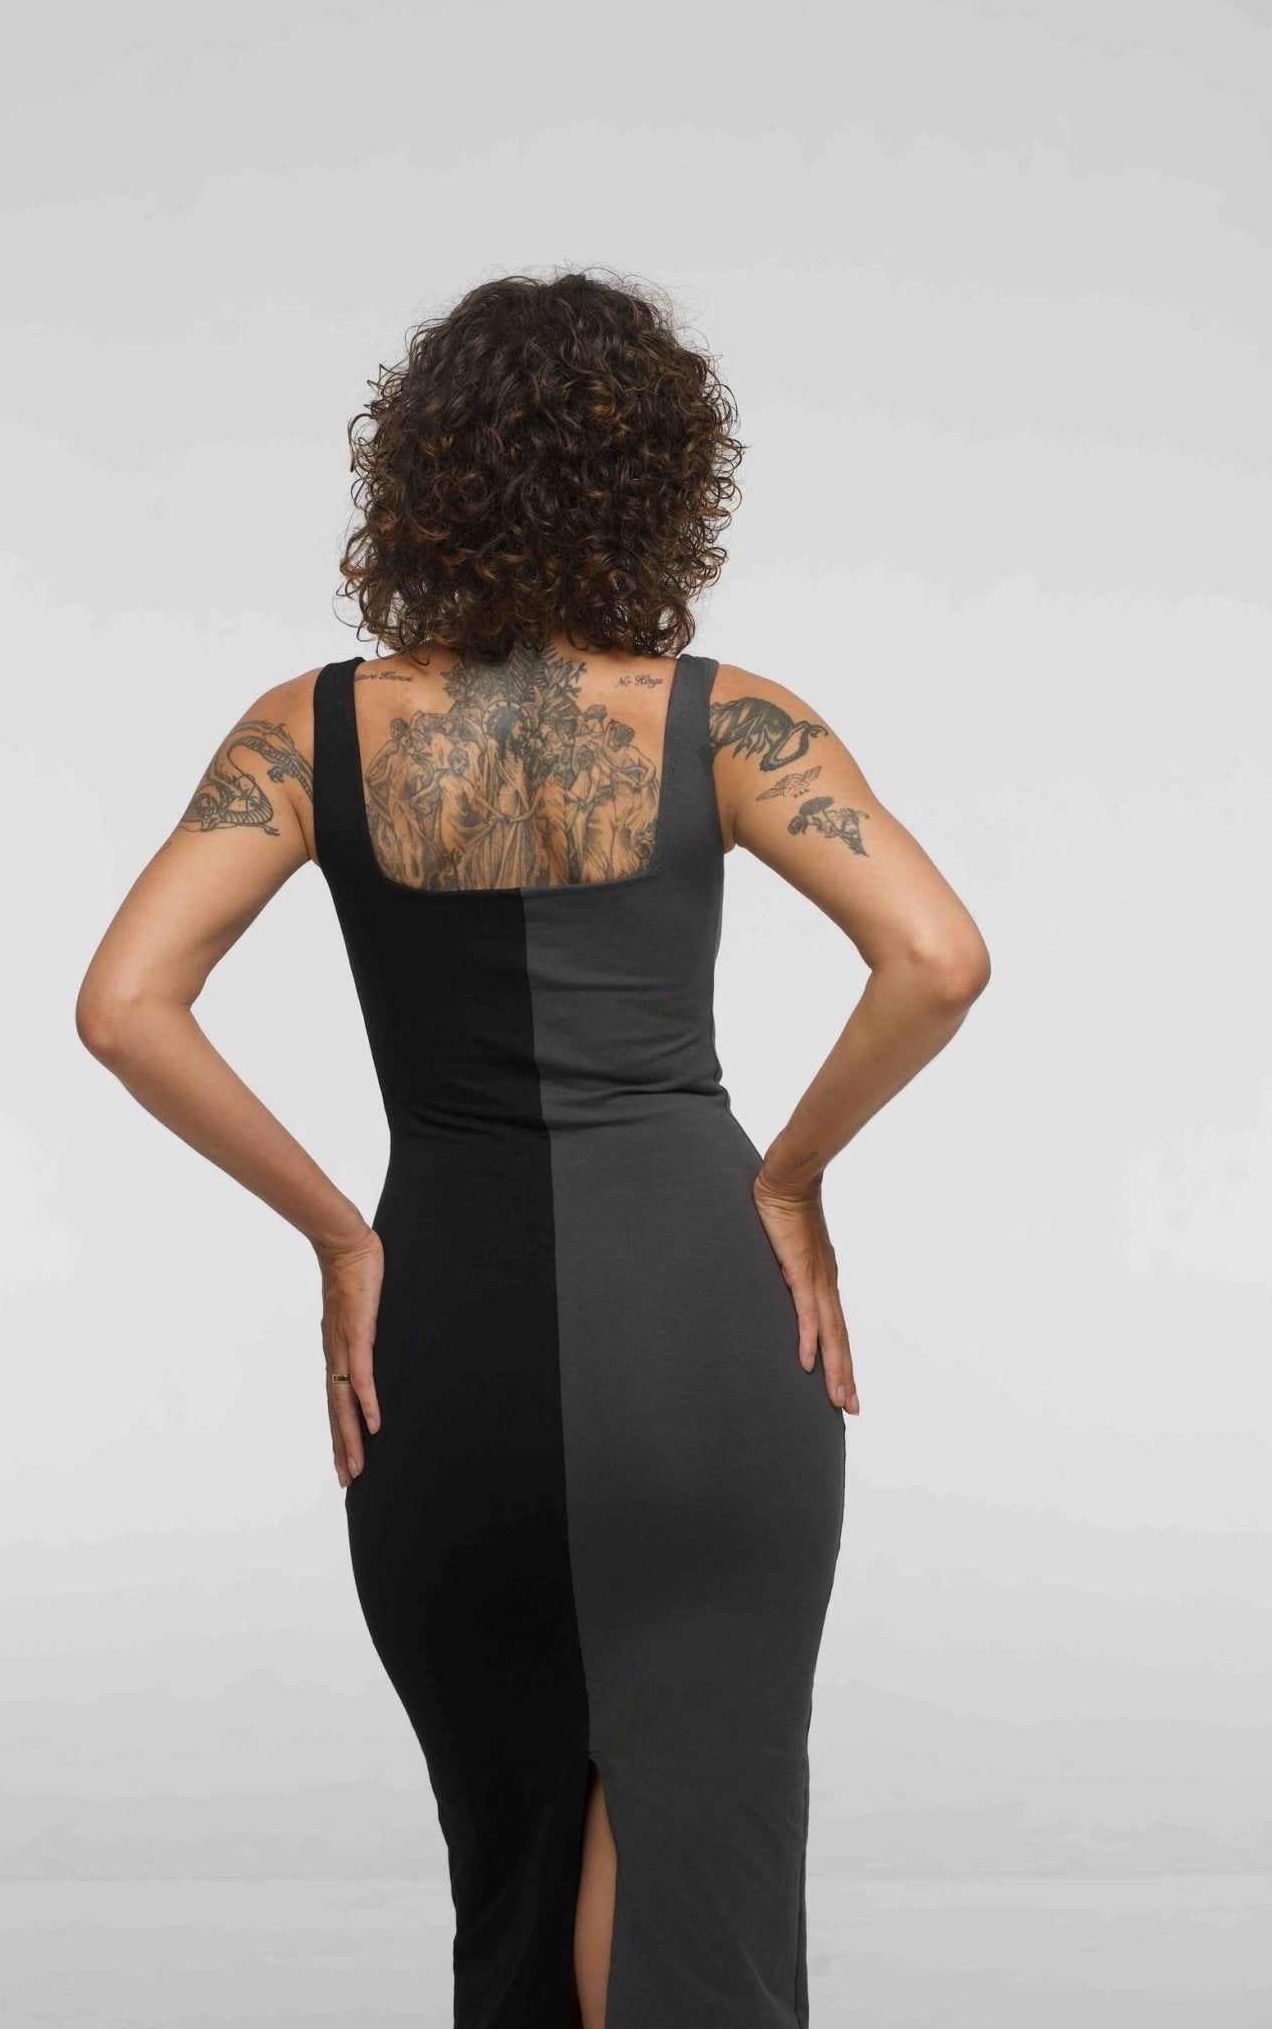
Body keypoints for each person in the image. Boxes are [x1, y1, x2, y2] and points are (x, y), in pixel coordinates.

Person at [76, 268, 990, 2029]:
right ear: (662, 483)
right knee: (694, 1847)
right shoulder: (723, 722)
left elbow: (125, 1007)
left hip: (441, 1333)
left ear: (418, 476)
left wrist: (340, 1238)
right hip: (699, 1328)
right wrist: (790, 1177)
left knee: (516, 1855)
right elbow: (936, 959)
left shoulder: (309, 730)